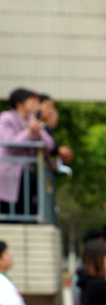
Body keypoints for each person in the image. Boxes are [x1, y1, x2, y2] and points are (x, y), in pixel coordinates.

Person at [0, 87, 55, 217]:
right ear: (20, 103)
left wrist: (38, 132)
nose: (35, 105)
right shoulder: (6, 118)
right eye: (31, 102)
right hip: (9, 172)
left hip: (27, 172)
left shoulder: (32, 120)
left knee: (27, 206)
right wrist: (29, 132)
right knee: (8, 207)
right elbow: (10, 143)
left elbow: (50, 144)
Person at [37, 94, 74, 175]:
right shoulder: (34, 126)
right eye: (48, 106)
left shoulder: (43, 128)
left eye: (52, 107)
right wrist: (58, 151)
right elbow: (50, 145)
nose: (51, 111)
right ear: (38, 106)